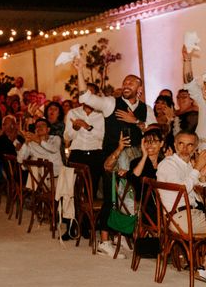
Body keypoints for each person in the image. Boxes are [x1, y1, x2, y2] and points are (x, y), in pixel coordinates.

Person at [74, 57, 155, 258]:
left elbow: (153, 131)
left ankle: (121, 234)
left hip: (136, 159)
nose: (126, 85)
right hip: (113, 157)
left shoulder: (147, 109)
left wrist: (136, 121)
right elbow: (86, 97)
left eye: (131, 82)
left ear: (140, 89)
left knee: (130, 197)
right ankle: (104, 241)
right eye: (125, 82)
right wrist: (80, 70)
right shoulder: (111, 103)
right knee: (111, 197)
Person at [156, 130, 206, 234]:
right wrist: (197, 168)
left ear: (195, 147)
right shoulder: (167, 164)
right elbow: (181, 189)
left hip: (192, 214)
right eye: (181, 143)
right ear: (175, 145)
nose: (184, 148)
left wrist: (202, 178)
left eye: (190, 145)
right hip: (179, 218)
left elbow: (195, 188)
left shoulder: (187, 166)